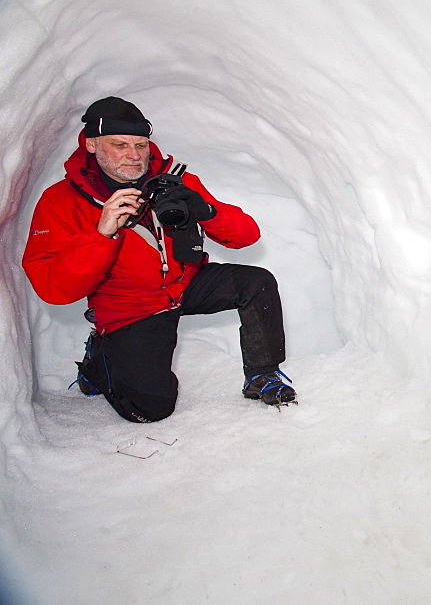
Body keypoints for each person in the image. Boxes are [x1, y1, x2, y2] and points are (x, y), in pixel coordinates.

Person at [22, 96, 296, 423]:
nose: (134, 155)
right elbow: (54, 289)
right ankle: (100, 360)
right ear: (92, 144)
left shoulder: (172, 179)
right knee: (151, 408)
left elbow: (247, 236)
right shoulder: (61, 201)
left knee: (257, 282)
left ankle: (262, 374)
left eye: (141, 145)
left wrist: (206, 210)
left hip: (185, 284)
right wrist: (102, 234)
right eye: (119, 144)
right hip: (130, 307)